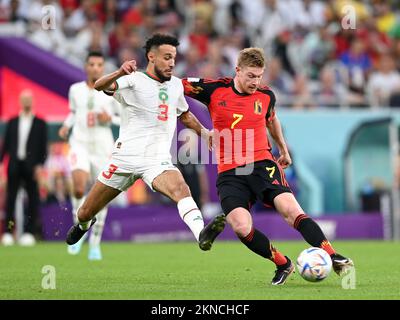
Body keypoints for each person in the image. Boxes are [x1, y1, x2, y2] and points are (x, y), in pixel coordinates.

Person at [182, 47, 354, 285]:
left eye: (259, 76)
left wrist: (282, 148)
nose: (255, 81)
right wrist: (201, 131)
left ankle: (332, 255)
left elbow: (272, 119)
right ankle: (282, 263)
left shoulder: (266, 95)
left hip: (262, 164)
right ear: (238, 70)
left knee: (291, 210)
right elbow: (173, 86)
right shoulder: (214, 89)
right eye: (251, 76)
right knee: (241, 227)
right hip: (230, 172)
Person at [65, 33, 225, 251]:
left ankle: (202, 234)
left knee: (181, 188)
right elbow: (100, 86)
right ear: (151, 57)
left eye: (174, 58)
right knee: (84, 212)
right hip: (124, 159)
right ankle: (83, 225)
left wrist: (205, 133)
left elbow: (184, 114)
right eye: (167, 57)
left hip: (156, 161)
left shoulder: (176, 86)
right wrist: (120, 71)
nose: (171, 63)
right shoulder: (133, 79)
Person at [58, 51, 120, 260]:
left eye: (99, 65)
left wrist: (109, 118)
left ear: (103, 68)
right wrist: (67, 126)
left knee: (101, 196)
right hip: (80, 144)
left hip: (102, 147)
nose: (95, 68)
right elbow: (75, 112)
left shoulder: (111, 90)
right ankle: (80, 229)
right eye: (92, 64)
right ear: (86, 67)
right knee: (77, 187)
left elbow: (124, 118)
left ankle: (95, 243)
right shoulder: (75, 90)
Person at [0, 89, 47, 246]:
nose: (26, 101)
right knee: (10, 201)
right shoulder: (12, 122)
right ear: (20, 101)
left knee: (32, 200)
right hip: (14, 166)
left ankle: (29, 233)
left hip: (31, 167)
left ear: (32, 101)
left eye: (29, 99)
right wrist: (1, 168)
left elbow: (43, 149)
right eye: (24, 99)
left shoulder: (40, 123)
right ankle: (8, 232)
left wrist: (40, 166)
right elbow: (5, 147)